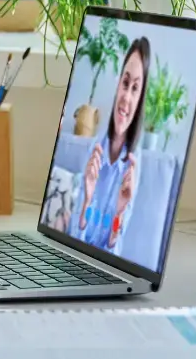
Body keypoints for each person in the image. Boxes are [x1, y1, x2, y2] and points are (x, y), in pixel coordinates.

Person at [75, 36, 149, 255]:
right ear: (118, 86)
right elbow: (74, 239)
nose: (126, 96)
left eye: (135, 88)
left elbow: (113, 252)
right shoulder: (95, 150)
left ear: (140, 98)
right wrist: (86, 201)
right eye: (125, 84)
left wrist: (119, 213)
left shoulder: (134, 167)